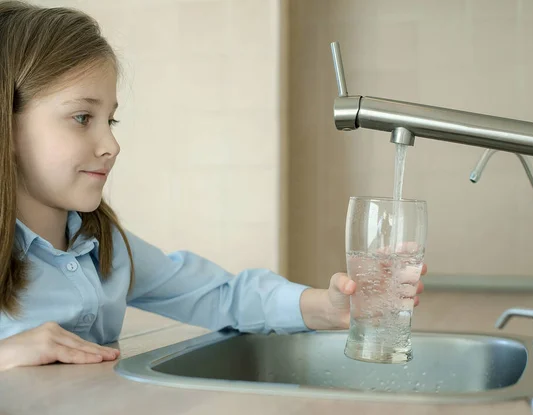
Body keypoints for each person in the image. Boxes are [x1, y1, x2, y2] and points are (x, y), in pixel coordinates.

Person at [0, 1, 426, 371]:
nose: (111, 144)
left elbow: (221, 295)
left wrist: (331, 307)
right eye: (81, 118)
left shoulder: (104, 245)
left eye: (110, 120)